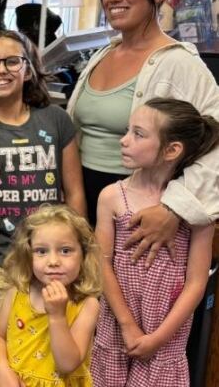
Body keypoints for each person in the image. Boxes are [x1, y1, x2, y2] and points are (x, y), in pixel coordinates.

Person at [66, 0, 219, 264]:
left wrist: (174, 208)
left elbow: (215, 143)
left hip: (138, 214)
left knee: (128, 308)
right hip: (83, 205)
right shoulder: (101, 56)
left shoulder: (180, 63)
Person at [0, 30, 86, 343]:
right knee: (15, 345)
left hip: (53, 255)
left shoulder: (56, 119)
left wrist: (78, 252)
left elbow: (75, 193)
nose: (1, 70)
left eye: (12, 61)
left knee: (55, 344)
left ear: (28, 70)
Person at [91, 98, 219, 386]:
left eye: (138, 134)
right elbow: (102, 263)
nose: (123, 140)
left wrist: (157, 340)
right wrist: (127, 325)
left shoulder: (196, 208)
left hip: (166, 332)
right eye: (127, 130)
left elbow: (196, 283)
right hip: (116, 323)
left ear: (172, 149)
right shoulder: (111, 197)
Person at [0, 204, 102, 387]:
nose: (53, 261)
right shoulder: (18, 293)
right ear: (28, 254)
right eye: (41, 251)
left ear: (83, 255)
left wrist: (57, 316)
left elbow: (67, 364)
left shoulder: (86, 304)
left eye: (65, 250)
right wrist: (3, 372)